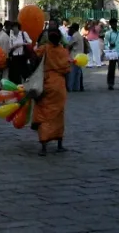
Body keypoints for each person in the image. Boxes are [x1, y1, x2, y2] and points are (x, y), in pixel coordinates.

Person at [33, 27, 70, 156]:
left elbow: (34, 56)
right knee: (58, 115)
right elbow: (66, 69)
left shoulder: (44, 49)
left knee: (44, 114)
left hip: (46, 83)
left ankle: (44, 147)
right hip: (59, 85)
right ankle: (60, 144)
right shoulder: (63, 51)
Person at [66, 23, 84, 92]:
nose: (69, 30)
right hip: (80, 57)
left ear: (73, 29)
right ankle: (77, 88)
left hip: (74, 57)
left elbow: (68, 45)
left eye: (71, 29)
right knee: (77, 73)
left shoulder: (75, 36)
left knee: (72, 73)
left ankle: (70, 88)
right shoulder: (79, 35)